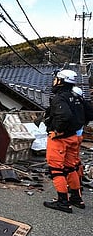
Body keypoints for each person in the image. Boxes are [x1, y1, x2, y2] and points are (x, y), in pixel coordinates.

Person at [43, 69, 93, 213]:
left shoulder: (60, 97)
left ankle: (63, 202)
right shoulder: (76, 96)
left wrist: (57, 131)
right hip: (74, 137)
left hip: (60, 139)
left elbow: (64, 116)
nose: (54, 82)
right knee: (71, 167)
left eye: (55, 79)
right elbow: (90, 113)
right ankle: (76, 198)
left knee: (56, 169)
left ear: (60, 80)